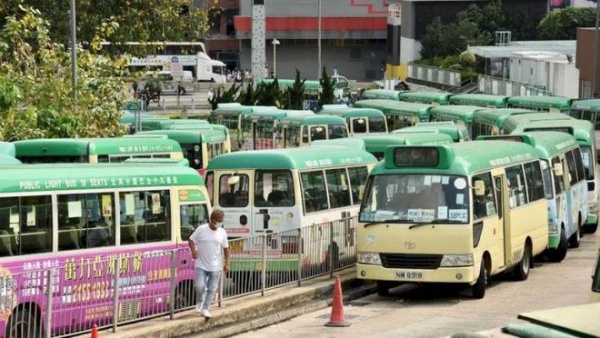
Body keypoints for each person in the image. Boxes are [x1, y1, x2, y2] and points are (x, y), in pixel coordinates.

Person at [188, 209, 230, 318]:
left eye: (222, 221)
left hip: (215, 266)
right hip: (201, 264)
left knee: (212, 289)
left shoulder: (222, 232)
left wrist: (227, 263)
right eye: (219, 221)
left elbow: (226, 249)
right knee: (200, 286)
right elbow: (191, 240)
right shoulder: (202, 229)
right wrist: (194, 251)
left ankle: (205, 308)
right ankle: (200, 300)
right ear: (212, 220)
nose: (220, 223)